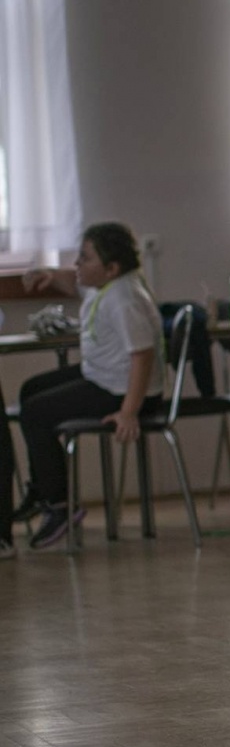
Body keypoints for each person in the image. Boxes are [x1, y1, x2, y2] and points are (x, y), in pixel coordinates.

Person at [11, 223, 164, 551]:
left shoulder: (125, 298)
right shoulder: (104, 284)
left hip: (126, 392)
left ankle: (58, 505)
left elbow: (143, 355)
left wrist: (128, 412)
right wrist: (49, 273)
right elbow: (74, 281)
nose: (77, 264)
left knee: (36, 412)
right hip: (104, 377)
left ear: (111, 268)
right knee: (30, 390)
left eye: (84, 258)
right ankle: (42, 489)